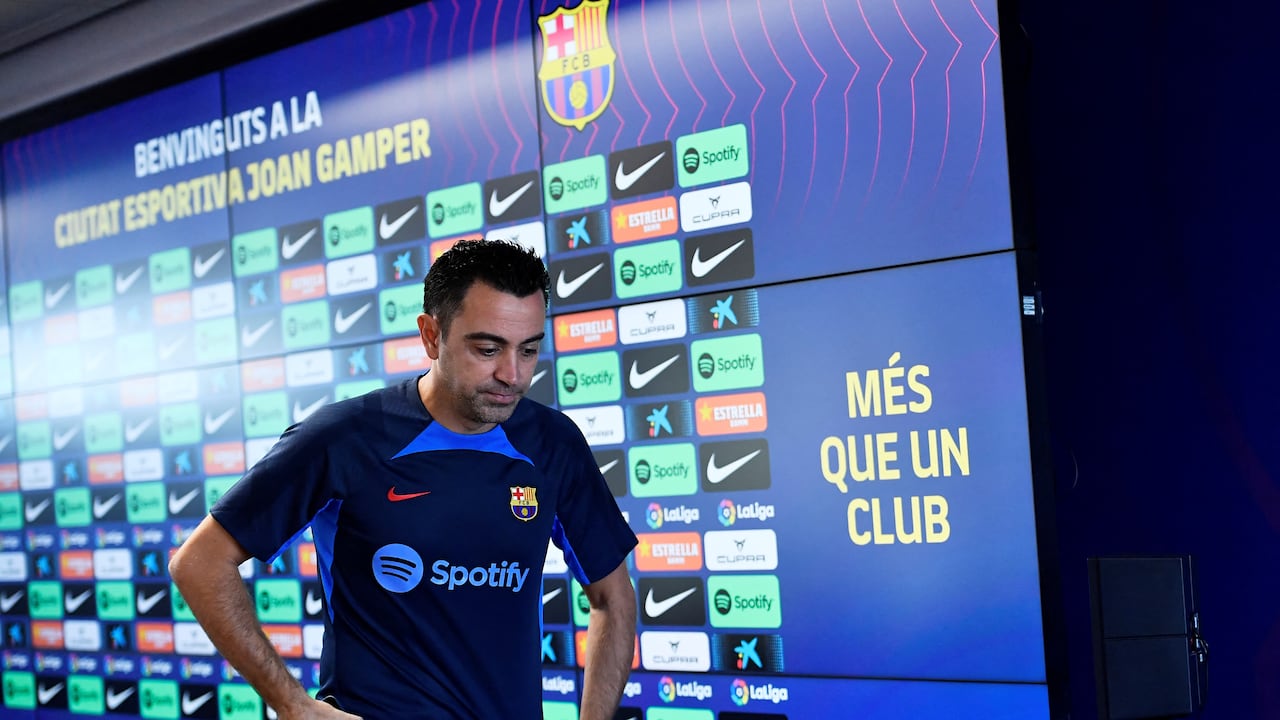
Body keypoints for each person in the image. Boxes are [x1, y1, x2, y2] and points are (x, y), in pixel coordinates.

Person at [170, 239, 638, 719]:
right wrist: (292, 705)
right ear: (431, 336)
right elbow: (200, 563)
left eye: (529, 349)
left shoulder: (553, 443)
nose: (512, 374)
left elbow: (613, 599)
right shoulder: (347, 437)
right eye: (487, 348)